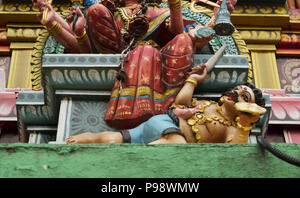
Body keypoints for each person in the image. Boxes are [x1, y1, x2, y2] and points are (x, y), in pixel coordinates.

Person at [33, 0, 217, 129]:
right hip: (116, 47)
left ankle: (169, 99)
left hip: (151, 52)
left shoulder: (156, 10)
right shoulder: (114, 13)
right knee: (95, 10)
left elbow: (177, 34)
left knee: (179, 40)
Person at [66, 65, 266, 145]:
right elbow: (180, 103)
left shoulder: (232, 129)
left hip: (163, 129)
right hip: (166, 123)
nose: (237, 93)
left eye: (244, 98)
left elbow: (237, 152)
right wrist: (193, 80)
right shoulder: (208, 104)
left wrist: (245, 125)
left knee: (114, 138)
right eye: (238, 90)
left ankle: (79, 140)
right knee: (176, 147)